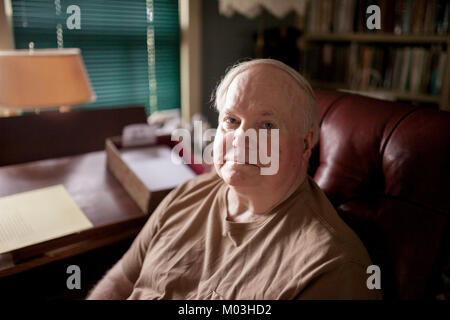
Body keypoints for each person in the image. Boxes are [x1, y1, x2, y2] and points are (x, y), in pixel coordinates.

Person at [86, 59, 382, 300]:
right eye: (231, 120)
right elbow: (123, 278)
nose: (241, 139)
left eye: (267, 125)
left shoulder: (332, 267)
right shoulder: (189, 192)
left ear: (305, 145)